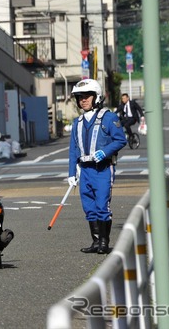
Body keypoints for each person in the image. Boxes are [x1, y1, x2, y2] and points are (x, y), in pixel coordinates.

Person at [68, 79, 126, 254]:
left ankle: (104, 242)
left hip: (102, 169)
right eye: (79, 97)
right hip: (84, 170)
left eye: (87, 97)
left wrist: (105, 152)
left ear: (97, 97)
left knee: (102, 205)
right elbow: (73, 149)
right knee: (89, 207)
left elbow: (120, 140)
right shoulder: (77, 122)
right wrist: (72, 173)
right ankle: (95, 241)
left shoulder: (108, 118)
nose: (83, 100)